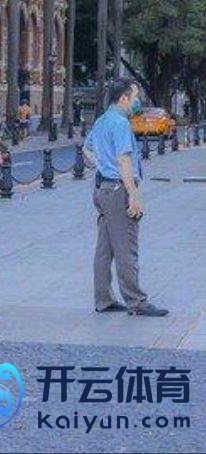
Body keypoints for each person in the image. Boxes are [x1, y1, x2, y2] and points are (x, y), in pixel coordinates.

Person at [83, 78, 168, 317]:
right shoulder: (120, 123)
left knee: (105, 247)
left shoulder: (101, 120)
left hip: (102, 189)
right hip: (117, 190)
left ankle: (104, 299)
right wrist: (133, 195)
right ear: (123, 98)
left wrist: (102, 165)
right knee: (126, 246)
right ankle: (136, 301)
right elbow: (123, 160)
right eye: (135, 96)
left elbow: (86, 149)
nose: (137, 101)